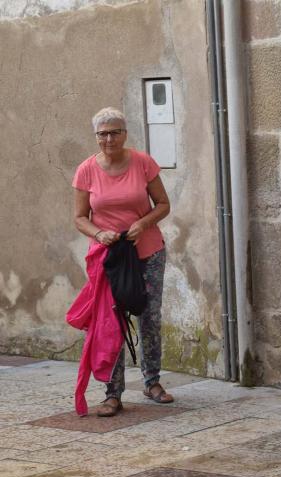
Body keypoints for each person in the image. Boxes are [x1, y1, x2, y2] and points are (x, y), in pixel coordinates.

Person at [72, 107, 172, 417]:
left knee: (149, 317)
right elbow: (79, 218)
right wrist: (99, 233)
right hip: (110, 257)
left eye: (115, 132)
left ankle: (152, 382)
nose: (109, 138)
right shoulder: (86, 170)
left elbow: (164, 204)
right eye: (102, 134)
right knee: (110, 321)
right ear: (96, 137)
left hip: (148, 251)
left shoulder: (143, 163)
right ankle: (112, 393)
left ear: (125, 134)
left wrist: (143, 224)